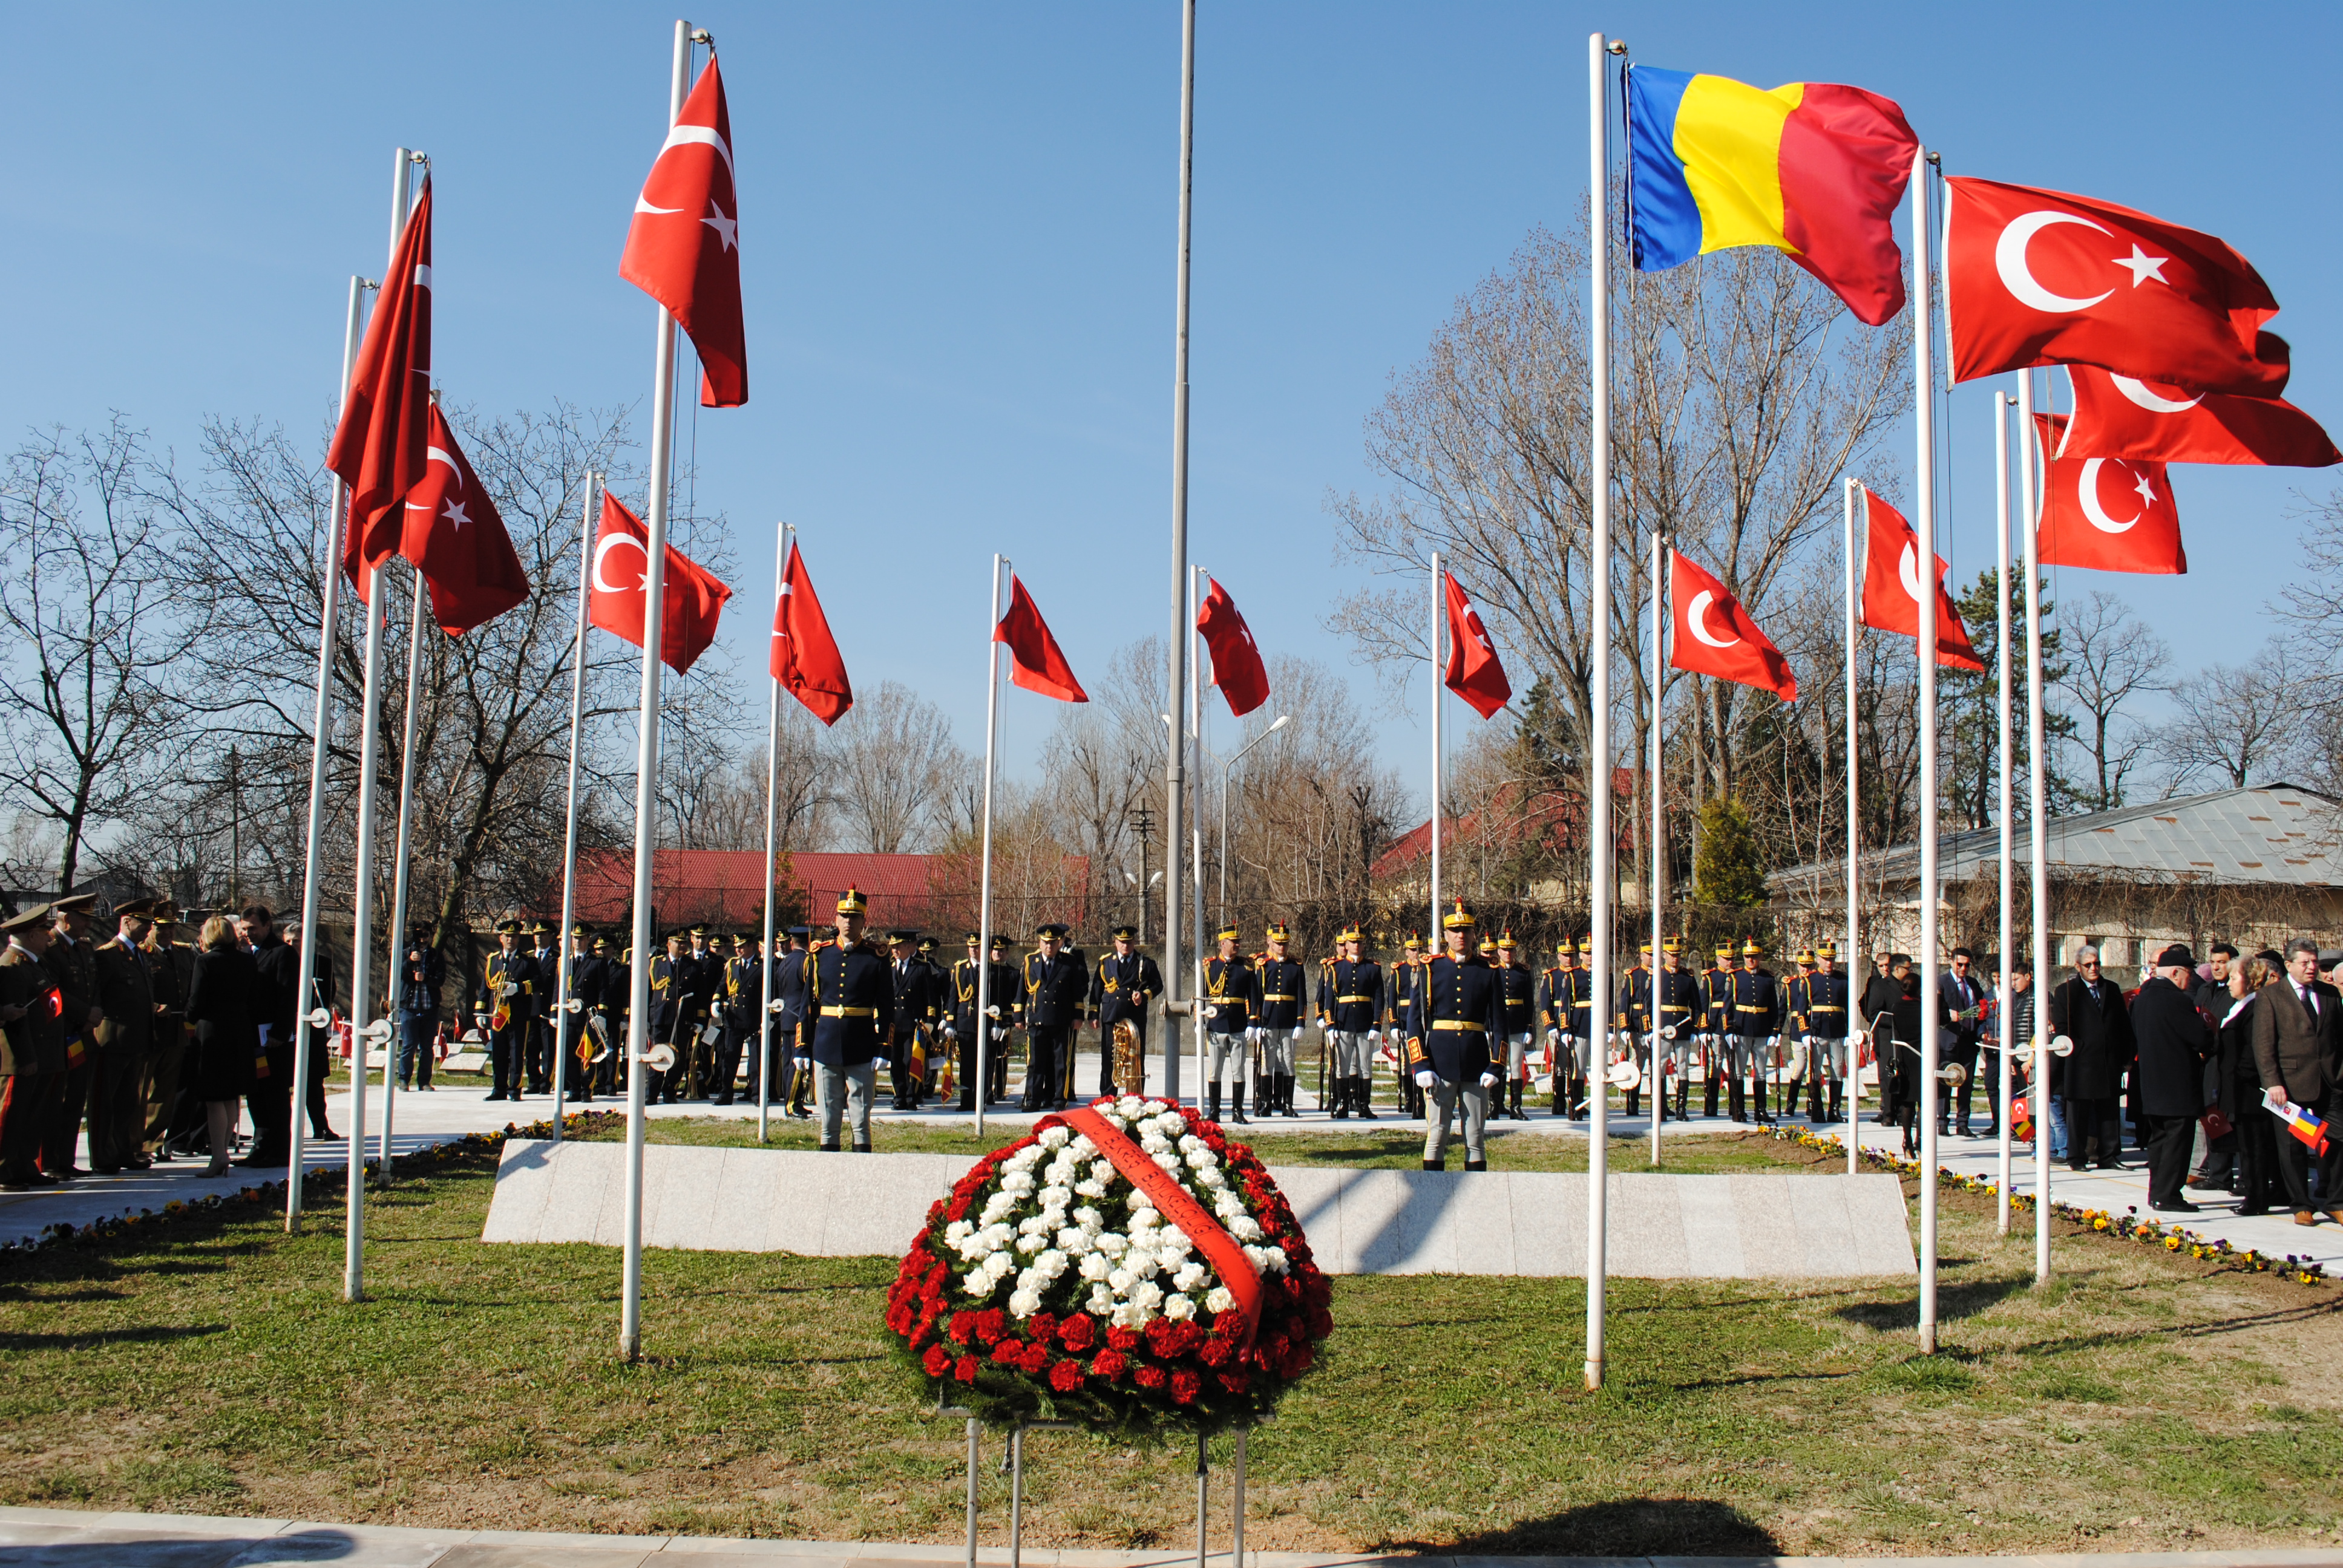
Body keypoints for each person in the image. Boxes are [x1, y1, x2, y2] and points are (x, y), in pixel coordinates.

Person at [1405, 900, 1506, 1171]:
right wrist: (1420, 1065)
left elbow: (1499, 1024)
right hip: (1440, 1064)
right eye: (1455, 930)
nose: (1461, 935)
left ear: (1474, 934)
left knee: (1475, 1138)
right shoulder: (1430, 969)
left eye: (1466, 930)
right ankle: (1431, 1194)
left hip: (1476, 1065)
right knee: (1436, 1136)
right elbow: (1414, 1022)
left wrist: (1496, 1065)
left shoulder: (1489, 970)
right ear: (1445, 935)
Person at [2250, 937, 2343, 1226]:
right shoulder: (2271, 996)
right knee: (2293, 1146)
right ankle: (2301, 1204)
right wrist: (2273, 1082)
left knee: (2337, 1141)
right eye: (2305, 962)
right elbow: (2264, 1044)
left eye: (2314, 961)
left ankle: (2336, 1201)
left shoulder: (2328, 993)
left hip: (2330, 1081)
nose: (2312, 967)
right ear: (2289, 965)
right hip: (2290, 1085)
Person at [2129, 945, 2214, 1212]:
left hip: (2151, 1084)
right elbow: (2200, 1038)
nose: (2189, 980)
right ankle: (2169, 1196)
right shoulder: (2177, 1001)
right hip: (2177, 1085)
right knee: (2178, 1143)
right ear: (2177, 973)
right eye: (2188, 974)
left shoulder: (2141, 999)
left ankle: (2157, 1192)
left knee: (2159, 1142)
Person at [809, 889, 892, 1151]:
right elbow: (808, 1005)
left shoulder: (875, 956)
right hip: (825, 1043)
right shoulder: (820, 955)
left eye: (854, 916)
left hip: (861, 1044)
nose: (848, 921)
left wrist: (883, 1047)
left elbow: (887, 1008)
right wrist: (802, 1046)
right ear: (835, 920)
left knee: (860, 1115)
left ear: (863, 921)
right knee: (829, 1115)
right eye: (843, 916)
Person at [86, 899, 160, 1172]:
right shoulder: (107, 955)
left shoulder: (140, 954)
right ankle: (103, 1155)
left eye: (149, 926)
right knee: (104, 1101)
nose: (147, 930)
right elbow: (97, 995)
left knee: (127, 1101)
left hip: (135, 1040)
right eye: (143, 925)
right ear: (127, 922)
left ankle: (123, 1150)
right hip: (111, 1040)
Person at [183, 913, 258, 1177]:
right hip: (240, 1029)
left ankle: (218, 1155)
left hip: (213, 1032)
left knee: (214, 1098)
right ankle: (224, 1150)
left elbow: (196, 1000)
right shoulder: (248, 961)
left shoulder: (205, 961)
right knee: (232, 1096)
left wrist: (188, 1016)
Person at [2049, 944, 2134, 1171]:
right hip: (2081, 1062)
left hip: (2109, 1062)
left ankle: (2110, 1156)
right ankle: (2077, 1158)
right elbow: (2062, 1029)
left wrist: (2126, 1055)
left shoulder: (2112, 989)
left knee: (2110, 1112)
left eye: (2097, 963)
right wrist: (2081, 1048)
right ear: (2078, 967)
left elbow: (2123, 1025)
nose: (2094, 968)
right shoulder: (2066, 991)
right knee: (2078, 1113)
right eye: (2088, 965)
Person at [39, 893, 103, 1181]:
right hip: (61, 1033)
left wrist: (96, 1010)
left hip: (83, 1034)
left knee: (76, 1098)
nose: (87, 925)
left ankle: (66, 1158)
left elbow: (94, 983)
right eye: (83, 919)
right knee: (56, 1100)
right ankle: (50, 1159)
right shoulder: (50, 949)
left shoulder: (84, 947)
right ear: (66, 918)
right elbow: (53, 990)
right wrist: (85, 1013)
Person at [0, 904, 63, 1189]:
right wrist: (26, 1057)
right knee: (12, 1117)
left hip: (42, 1051)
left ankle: (24, 1165)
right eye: (43, 932)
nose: (49, 937)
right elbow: (16, 1021)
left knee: (31, 1115)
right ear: (29, 935)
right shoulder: (12, 966)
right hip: (21, 1058)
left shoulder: (34, 963)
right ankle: (5, 1170)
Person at [2224, 951, 2282, 1215]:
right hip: (2239, 1089)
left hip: (2250, 1090)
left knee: (2255, 1147)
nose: (2228, 982)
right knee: (2249, 1146)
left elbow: (2255, 1048)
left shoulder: (2257, 1006)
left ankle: (2257, 1199)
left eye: (2233, 977)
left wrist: (2240, 1073)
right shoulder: (2240, 1005)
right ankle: (2258, 1192)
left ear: (2249, 981)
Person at [140, 902, 195, 1162]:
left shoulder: (184, 953)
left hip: (176, 1032)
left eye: (172, 927)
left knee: (166, 1093)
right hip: (151, 1032)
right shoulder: (143, 953)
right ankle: (136, 1143)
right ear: (151, 927)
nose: (168, 932)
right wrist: (152, 1007)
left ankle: (153, 1142)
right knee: (144, 1092)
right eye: (162, 927)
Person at [243, 906, 297, 1165]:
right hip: (253, 1039)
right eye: (244, 929)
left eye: (252, 928)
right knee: (255, 1094)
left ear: (267, 925)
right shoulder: (246, 954)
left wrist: (279, 1032)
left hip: (274, 1041)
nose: (248, 933)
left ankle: (279, 1150)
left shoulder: (282, 953)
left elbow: (289, 997)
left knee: (274, 1094)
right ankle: (260, 1147)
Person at [2187, 943, 2240, 1191]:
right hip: (2206, 1063)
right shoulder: (2205, 990)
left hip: (2227, 1062)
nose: (2217, 967)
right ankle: (2214, 1172)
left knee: (2225, 1116)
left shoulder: (2236, 991)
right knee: (2210, 1115)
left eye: (2223, 962)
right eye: (2214, 962)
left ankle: (2222, 1174)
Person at [1020, 923, 1088, 1112]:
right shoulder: (1030, 961)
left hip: (1060, 1020)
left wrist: (1078, 1016)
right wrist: (1018, 1015)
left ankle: (1059, 1099)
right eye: (1045, 942)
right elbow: (1022, 990)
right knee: (1035, 1064)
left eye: (1052, 943)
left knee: (1060, 1063)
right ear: (1040, 943)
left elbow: (1077, 992)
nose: (1049, 946)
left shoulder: (1068, 962)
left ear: (1059, 943)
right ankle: (1033, 1100)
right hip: (1036, 1019)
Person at [1089, 925, 1162, 1099]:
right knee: (1109, 1057)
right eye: (1122, 942)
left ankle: (1134, 1096)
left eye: (1129, 942)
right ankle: (1108, 1097)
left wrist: (1144, 996)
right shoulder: (1105, 962)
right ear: (1115, 942)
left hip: (1134, 1017)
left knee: (1135, 1058)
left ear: (1134, 942)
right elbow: (1097, 990)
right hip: (1111, 1016)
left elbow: (1158, 985)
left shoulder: (1145, 962)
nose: (1126, 946)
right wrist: (1093, 1014)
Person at [1317, 924, 1382, 1121]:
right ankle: (1343, 1104)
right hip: (1343, 1023)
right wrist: (1330, 1025)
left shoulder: (1373, 968)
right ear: (1345, 944)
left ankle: (1364, 1105)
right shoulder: (1336, 968)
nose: (1356, 945)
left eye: (1359, 942)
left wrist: (1376, 1025)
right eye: (1352, 942)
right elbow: (1329, 999)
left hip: (1364, 1024)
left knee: (1365, 1066)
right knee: (1342, 1066)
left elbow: (1379, 999)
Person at [1251, 923, 1307, 1118]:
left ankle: (1286, 1103)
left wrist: (1300, 1022)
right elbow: (1256, 996)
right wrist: (1256, 1022)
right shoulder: (1263, 964)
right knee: (1268, 1062)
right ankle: (1266, 1102)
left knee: (1288, 1062)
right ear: (1270, 942)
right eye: (1278, 943)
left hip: (1289, 1021)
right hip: (1269, 1020)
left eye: (1285, 943)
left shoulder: (1296, 966)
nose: (1282, 947)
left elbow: (1302, 996)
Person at [1726, 940, 1782, 1124]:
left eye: (1754, 956)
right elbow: (1728, 1007)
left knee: (1761, 1071)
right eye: (1747, 957)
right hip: (1741, 1029)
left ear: (1760, 957)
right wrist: (1729, 1030)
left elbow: (1774, 1007)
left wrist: (1775, 1031)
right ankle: (1739, 1110)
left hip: (1762, 1030)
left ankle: (1761, 1110)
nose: (1751, 960)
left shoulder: (1767, 978)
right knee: (1739, 1072)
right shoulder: (1735, 977)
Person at [1202, 925, 1253, 1123]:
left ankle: (1238, 1111)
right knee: (1215, 1069)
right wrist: (1201, 1020)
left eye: (1238, 942)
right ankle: (1215, 1110)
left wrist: (1253, 1023)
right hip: (1216, 1024)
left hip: (1239, 1024)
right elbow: (1203, 996)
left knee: (1238, 1069)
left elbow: (1253, 996)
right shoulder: (1210, 966)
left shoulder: (1246, 966)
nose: (1238, 945)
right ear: (1223, 944)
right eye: (1234, 942)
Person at [1941, 947, 1987, 1137]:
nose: (1963, 968)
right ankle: (1942, 1121)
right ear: (1952, 962)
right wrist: (1947, 1016)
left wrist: (1982, 1030)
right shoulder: (1941, 982)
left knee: (1966, 1082)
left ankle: (1963, 1122)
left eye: (1967, 965)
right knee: (1945, 1081)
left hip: (1969, 1039)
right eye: (1960, 964)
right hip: (1949, 1039)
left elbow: (1982, 1008)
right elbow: (1934, 1009)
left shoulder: (1973, 983)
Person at [1804, 941, 1850, 1123]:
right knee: (1815, 1072)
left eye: (1831, 958)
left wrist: (1848, 1032)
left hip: (1837, 1031)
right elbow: (1802, 1009)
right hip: (1818, 1031)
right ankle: (1817, 1108)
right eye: (1825, 959)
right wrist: (1806, 1032)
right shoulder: (1810, 979)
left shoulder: (1843, 979)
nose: (1829, 962)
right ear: (1818, 960)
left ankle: (1835, 1110)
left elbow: (1847, 1006)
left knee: (1837, 1071)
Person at [884, 930, 931, 1110]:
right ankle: (899, 1095)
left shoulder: (921, 968)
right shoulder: (887, 968)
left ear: (909, 947)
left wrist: (929, 1022)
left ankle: (912, 1096)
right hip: (893, 1023)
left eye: (898, 947)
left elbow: (929, 998)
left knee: (911, 1060)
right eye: (893, 947)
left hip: (913, 1023)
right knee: (895, 1061)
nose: (895, 951)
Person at [1858, 950, 1902, 1126]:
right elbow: (1866, 1003)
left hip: (1899, 1033)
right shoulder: (1875, 982)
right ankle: (1886, 1109)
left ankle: (1898, 1110)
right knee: (1885, 1072)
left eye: (1887, 965)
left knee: (1896, 1071)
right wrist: (1871, 1020)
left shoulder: (1900, 982)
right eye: (1881, 966)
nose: (1885, 969)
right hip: (1882, 1032)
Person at [1385, 934, 1426, 1119]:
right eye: (1413, 950)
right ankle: (1411, 1099)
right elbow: (1392, 1000)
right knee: (1409, 1063)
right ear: (1407, 951)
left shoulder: (1427, 969)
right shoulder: (1399, 970)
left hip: (1425, 1021)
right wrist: (1394, 1024)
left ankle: (1424, 1100)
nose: (1416, 953)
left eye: (1419, 949)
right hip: (1406, 1021)